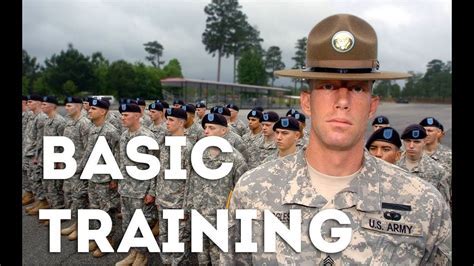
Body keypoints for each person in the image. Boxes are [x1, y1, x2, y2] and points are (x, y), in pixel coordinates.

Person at [222, 14, 451, 264]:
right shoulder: (253, 191)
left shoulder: (423, 204)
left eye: (356, 88)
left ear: (372, 106)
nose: (342, 101)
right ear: (306, 102)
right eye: (328, 86)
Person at [186, 113, 248, 265]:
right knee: (201, 256)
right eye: (205, 127)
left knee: (219, 258)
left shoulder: (235, 158)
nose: (206, 131)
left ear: (223, 131)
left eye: (211, 128)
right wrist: (187, 208)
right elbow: (190, 183)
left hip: (220, 218)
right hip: (199, 213)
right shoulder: (197, 154)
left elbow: (242, 192)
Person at [396, 124, 451, 206]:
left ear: (424, 142)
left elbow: (443, 206)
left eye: (416, 142)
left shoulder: (437, 171)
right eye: (408, 141)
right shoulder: (393, 165)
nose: (411, 146)